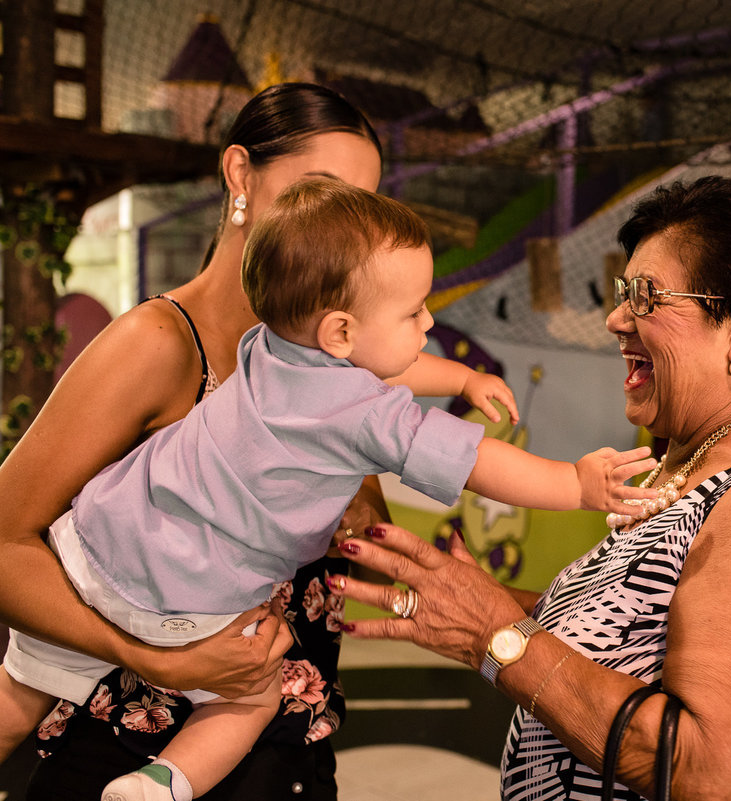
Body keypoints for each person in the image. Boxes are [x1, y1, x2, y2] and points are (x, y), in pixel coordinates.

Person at [0, 176, 657, 801]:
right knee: (251, 697)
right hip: (186, 597)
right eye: (413, 311)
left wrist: (457, 378)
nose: (427, 322)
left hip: (96, 544)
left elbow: (376, 367)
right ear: (339, 332)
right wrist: (574, 482)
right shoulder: (367, 415)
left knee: (19, 688)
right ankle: (160, 783)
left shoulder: (265, 347)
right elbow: (477, 462)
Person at [328, 176, 731, 800]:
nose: (617, 317)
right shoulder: (691, 467)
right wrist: (449, 591)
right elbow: (629, 637)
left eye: (647, 296)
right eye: (626, 292)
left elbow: (709, 773)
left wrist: (496, 636)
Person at [0, 82, 435, 800]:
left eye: (363, 208)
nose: (338, 227)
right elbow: (6, 540)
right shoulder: (159, 344)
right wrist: (151, 655)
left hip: (285, 762)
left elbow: (344, 575)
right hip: (129, 761)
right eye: (317, 190)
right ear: (240, 175)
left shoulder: (338, 369)